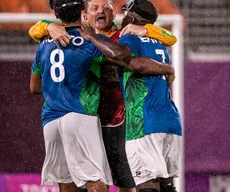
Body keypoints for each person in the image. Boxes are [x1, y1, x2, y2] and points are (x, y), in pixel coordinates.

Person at [28, 1, 177, 191]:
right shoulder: (81, 38)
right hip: (86, 116)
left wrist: (147, 30)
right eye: (95, 8)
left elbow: (170, 37)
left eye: (106, 7)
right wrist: (47, 25)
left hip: (116, 119)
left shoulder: (124, 33)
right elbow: (34, 30)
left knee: (125, 181)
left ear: (114, 13)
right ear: (85, 14)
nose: (101, 11)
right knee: (90, 182)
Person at [113, 0, 182, 191]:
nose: (123, 17)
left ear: (132, 17)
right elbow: (171, 39)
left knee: (147, 185)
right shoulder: (159, 41)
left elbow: (128, 61)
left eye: (125, 13)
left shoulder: (129, 39)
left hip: (144, 119)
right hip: (169, 120)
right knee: (166, 185)